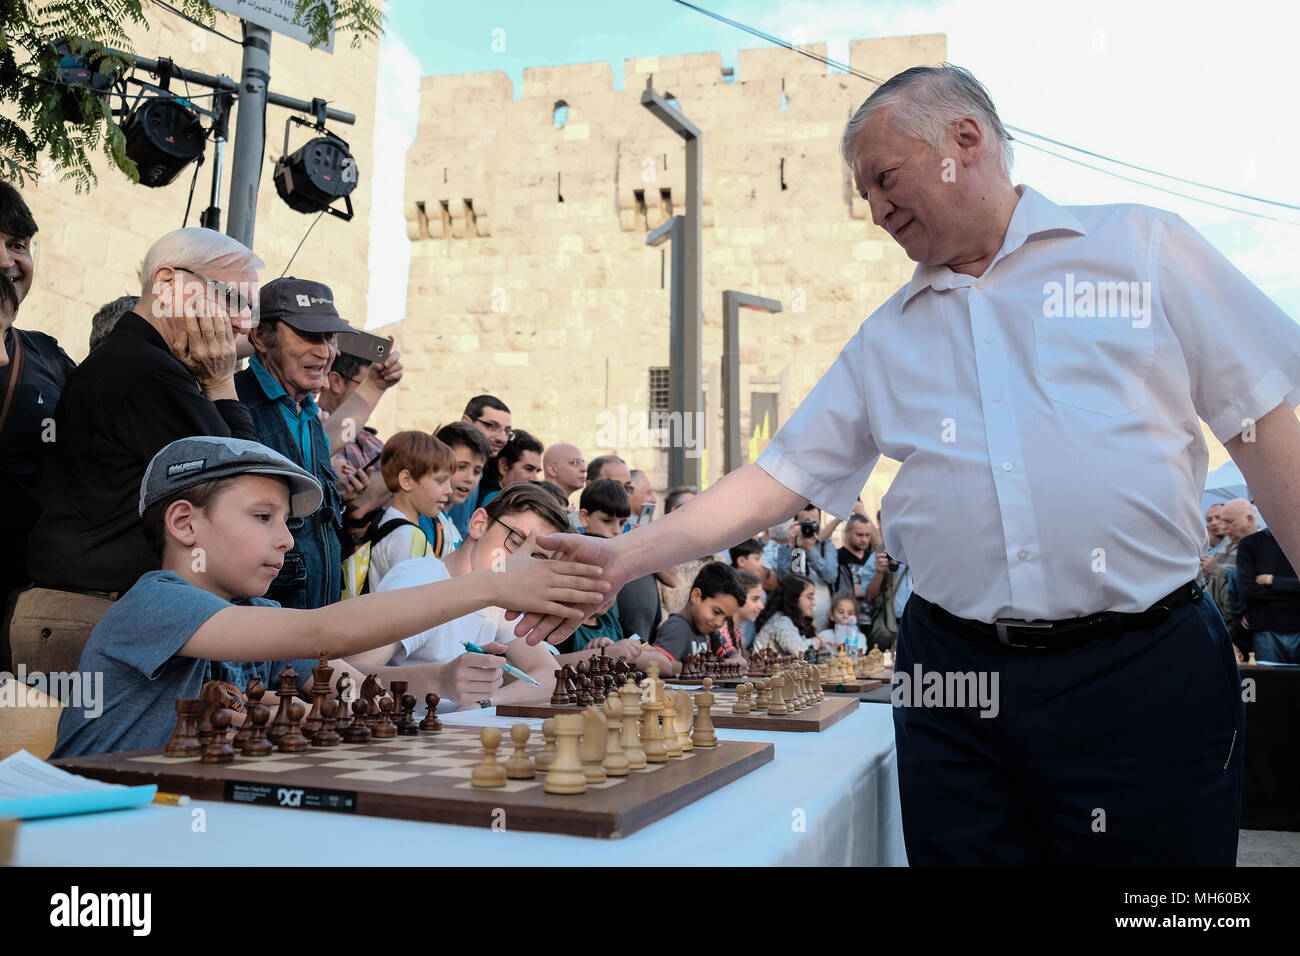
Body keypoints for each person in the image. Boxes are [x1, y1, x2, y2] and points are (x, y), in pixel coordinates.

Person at [518, 64, 1294, 867]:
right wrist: (624, 556)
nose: (878, 210)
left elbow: (1264, 425)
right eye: (866, 195)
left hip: (1144, 671)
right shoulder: (886, 337)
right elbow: (776, 476)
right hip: (952, 680)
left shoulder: (1143, 248)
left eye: (886, 180)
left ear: (967, 140)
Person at [51, 437, 606, 757]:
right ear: (184, 523)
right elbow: (321, 631)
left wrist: (434, 682)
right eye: (263, 517)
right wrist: (493, 584)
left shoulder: (255, 617)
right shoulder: (157, 602)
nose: (287, 539)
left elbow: (354, 684)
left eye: (287, 522)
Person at [26, 228, 261, 600]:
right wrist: (220, 383)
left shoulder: (140, 361)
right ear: (167, 284)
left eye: (251, 308)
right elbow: (249, 491)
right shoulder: (147, 371)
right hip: (91, 613)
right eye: (232, 298)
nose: (244, 322)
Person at [342, 483, 587, 710]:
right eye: (515, 541)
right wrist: (438, 680)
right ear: (479, 523)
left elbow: (550, 676)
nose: (522, 562)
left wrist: (486, 701)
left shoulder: (500, 596)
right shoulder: (420, 581)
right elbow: (346, 674)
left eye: (537, 556)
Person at [236, 277, 355, 611]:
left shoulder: (310, 415)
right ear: (260, 336)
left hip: (315, 627)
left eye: (329, 337)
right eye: (307, 335)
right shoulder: (232, 405)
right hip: (259, 633)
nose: (324, 350)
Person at [363, 431, 455, 591]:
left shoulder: (386, 522)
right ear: (406, 480)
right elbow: (409, 600)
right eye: (440, 481)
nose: (449, 490)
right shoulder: (408, 535)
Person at [555, 479, 630, 655]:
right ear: (584, 517)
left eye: (622, 523)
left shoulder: (610, 618)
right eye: (607, 521)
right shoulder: (575, 557)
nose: (616, 531)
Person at [645, 562, 746, 676]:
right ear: (696, 596)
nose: (719, 623)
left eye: (726, 618)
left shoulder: (712, 633)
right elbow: (659, 665)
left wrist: (717, 666)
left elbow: (740, 661)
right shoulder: (677, 629)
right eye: (716, 612)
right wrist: (703, 668)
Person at [420, 421, 492, 557]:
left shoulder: (448, 525)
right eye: (461, 467)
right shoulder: (424, 519)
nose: (470, 478)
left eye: (477, 471)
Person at [444, 394, 512, 536]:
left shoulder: (478, 475)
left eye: (507, 431)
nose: (502, 438)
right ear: (466, 421)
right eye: (492, 426)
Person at [1236, 526, 1300, 664]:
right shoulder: (1250, 543)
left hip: (1274, 628)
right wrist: (1293, 588)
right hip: (1266, 630)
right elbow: (1249, 590)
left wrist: (1272, 580)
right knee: (1269, 682)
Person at [1202, 497, 1256, 656]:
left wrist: (1219, 570)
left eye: (1224, 519)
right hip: (1219, 619)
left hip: (1241, 625)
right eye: (1209, 520)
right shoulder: (1223, 544)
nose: (1218, 523)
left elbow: (1252, 582)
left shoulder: (1257, 543)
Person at [776, 502, 838, 628]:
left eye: (813, 522)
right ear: (795, 524)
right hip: (795, 617)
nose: (809, 527)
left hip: (823, 618)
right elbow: (786, 580)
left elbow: (831, 576)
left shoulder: (826, 546)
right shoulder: (786, 549)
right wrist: (793, 547)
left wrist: (810, 550)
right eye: (805, 523)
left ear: (820, 523)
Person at [752, 575, 821, 657]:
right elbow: (801, 652)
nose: (814, 603)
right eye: (809, 597)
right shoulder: (780, 622)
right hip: (764, 669)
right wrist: (819, 641)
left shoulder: (790, 620)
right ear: (793, 597)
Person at [863, 536, 911, 651]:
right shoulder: (878, 556)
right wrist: (879, 572)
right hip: (891, 628)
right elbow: (870, 596)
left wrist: (914, 564)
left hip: (920, 624)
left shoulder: (923, 554)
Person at [477, 428, 543, 510]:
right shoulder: (497, 501)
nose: (535, 478)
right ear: (504, 466)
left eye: (537, 471)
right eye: (529, 469)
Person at [718, 569, 764, 653]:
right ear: (737, 597)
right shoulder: (721, 634)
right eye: (755, 599)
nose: (761, 606)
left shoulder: (735, 631)